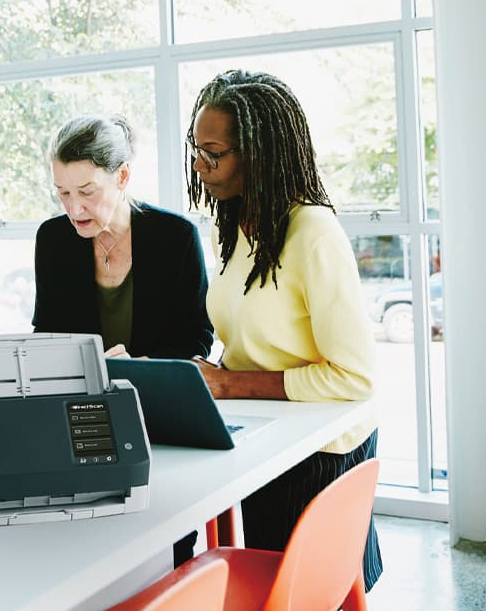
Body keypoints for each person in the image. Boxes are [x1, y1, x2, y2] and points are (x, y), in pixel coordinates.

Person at [185, 69, 382, 590]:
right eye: (196, 149)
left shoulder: (314, 232)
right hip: (269, 436)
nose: (200, 166)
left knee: (300, 593)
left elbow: (355, 378)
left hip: (321, 452)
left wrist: (230, 384)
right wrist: (204, 379)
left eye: (214, 153)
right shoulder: (232, 226)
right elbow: (255, 339)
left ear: (259, 155)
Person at [33, 114, 213, 360]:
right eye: (63, 193)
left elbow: (197, 338)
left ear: (122, 177)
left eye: (87, 192)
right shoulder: (52, 239)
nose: (75, 210)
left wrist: (142, 369)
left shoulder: (177, 237)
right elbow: (46, 335)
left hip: (157, 383)